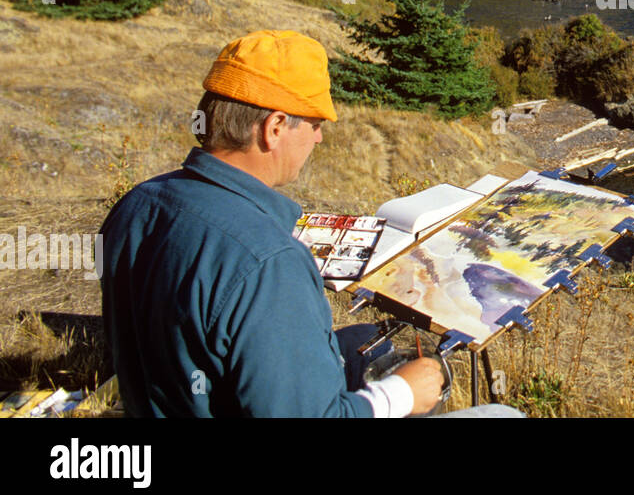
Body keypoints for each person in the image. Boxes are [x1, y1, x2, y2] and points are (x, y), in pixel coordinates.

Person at [99, 29, 448, 417]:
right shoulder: (270, 262)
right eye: (315, 124)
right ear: (275, 127)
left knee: (366, 339)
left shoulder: (135, 205)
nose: (318, 139)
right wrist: (399, 395)